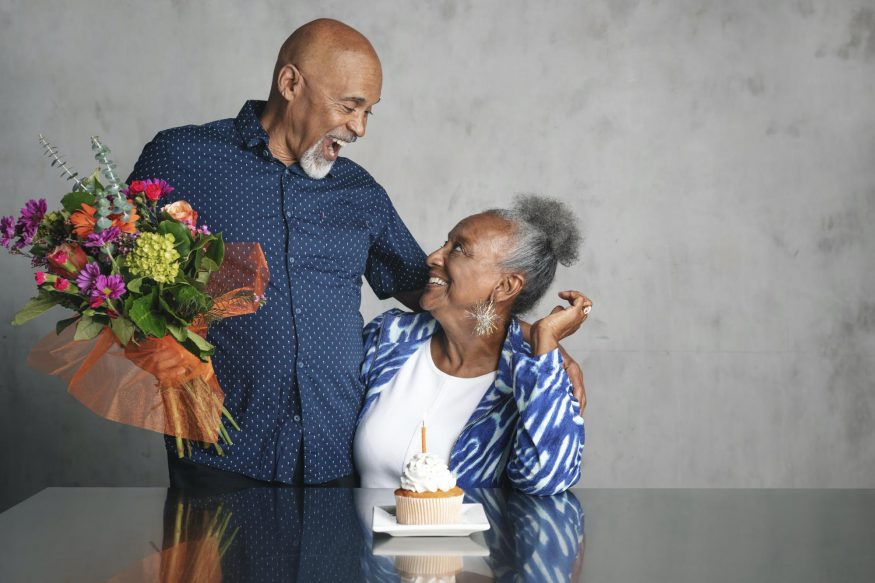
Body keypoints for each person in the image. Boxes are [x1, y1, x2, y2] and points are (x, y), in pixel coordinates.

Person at [129, 19, 586, 489]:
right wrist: (153, 348)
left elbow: (432, 288)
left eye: (370, 111)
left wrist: (531, 336)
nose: (360, 127)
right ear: (290, 83)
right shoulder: (182, 158)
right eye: (350, 106)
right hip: (220, 455)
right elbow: (114, 282)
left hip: (336, 463)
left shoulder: (360, 193)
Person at [354, 195, 590, 495]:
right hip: (364, 541)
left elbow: (545, 480)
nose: (433, 257)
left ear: (505, 286)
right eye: (445, 243)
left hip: (474, 543)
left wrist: (544, 339)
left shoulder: (539, 376)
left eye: (459, 249)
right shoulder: (390, 337)